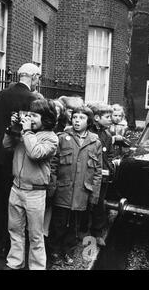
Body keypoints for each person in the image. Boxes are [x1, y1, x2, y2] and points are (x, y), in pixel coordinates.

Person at [0, 63, 41, 258]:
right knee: (18, 207)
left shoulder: (2, 94)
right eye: (38, 77)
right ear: (33, 77)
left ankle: (1, 242)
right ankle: (15, 247)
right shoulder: (31, 98)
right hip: (19, 158)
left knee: (2, 201)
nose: (38, 81)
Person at [4, 99, 58, 270]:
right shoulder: (25, 133)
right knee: (14, 230)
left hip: (35, 192)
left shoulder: (51, 138)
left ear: (46, 118)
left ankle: (37, 267)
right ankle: (15, 262)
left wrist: (26, 131)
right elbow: (6, 146)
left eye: (35, 115)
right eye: (29, 114)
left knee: (35, 235)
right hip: (16, 188)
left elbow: (35, 153)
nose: (30, 118)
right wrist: (11, 129)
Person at [48, 106, 102, 266]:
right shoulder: (62, 138)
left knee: (74, 226)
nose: (77, 120)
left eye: (82, 118)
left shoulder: (95, 142)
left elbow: (98, 171)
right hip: (63, 190)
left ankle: (68, 251)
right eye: (75, 117)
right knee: (58, 223)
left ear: (89, 121)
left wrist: (95, 194)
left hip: (82, 193)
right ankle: (54, 251)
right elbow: (53, 165)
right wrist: (52, 187)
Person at [82, 102, 114, 247]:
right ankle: (82, 231)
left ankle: (97, 232)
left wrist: (110, 168)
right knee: (85, 202)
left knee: (99, 203)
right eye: (107, 117)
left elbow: (110, 155)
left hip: (102, 175)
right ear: (96, 118)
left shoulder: (107, 134)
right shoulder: (89, 133)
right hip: (88, 173)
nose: (111, 119)